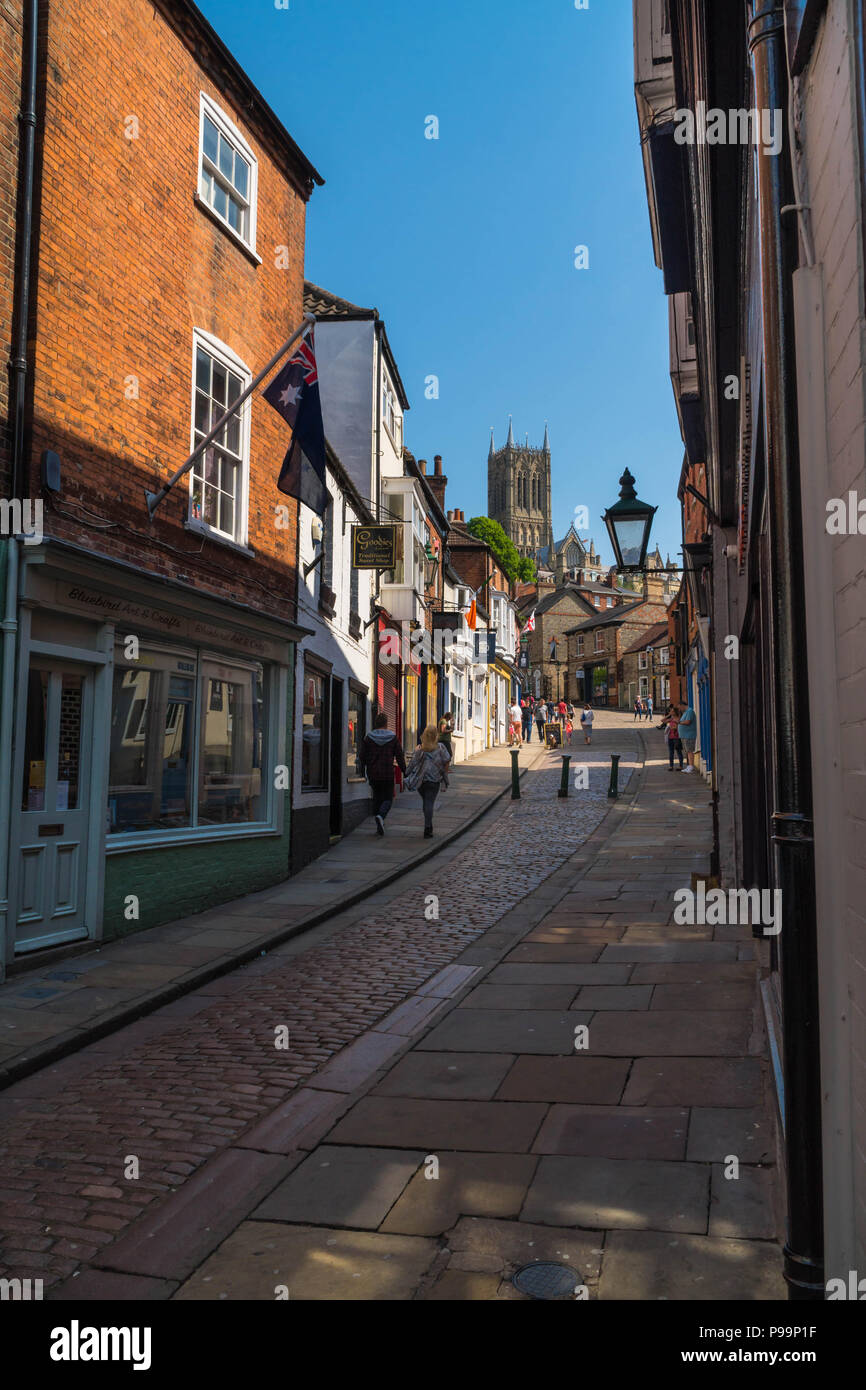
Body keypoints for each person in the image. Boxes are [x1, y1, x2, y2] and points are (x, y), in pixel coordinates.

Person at [358, 711, 407, 835]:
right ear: (386, 724)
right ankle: (381, 816)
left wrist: (362, 771)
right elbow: (400, 756)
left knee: (377, 797)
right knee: (388, 799)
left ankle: (379, 824)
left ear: (375, 723)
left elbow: (362, 756)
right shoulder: (392, 737)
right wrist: (404, 771)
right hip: (387, 773)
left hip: (373, 773)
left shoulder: (368, 737)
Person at [405, 723, 451, 837]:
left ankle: (428, 824)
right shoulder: (441, 747)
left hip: (421, 781)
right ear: (436, 735)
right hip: (434, 780)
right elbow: (447, 760)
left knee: (426, 802)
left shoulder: (420, 748)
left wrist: (406, 773)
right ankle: (428, 828)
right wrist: (445, 774)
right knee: (429, 802)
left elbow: (413, 763)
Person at [677, 701, 698, 772]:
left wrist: (679, 722)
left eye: (679, 708)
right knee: (687, 751)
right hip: (685, 736)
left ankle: (691, 766)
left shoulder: (690, 711)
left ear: (682, 705)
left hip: (689, 735)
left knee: (690, 751)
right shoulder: (686, 712)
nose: (679, 709)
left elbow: (688, 722)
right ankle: (689, 766)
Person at [662, 705, 683, 771]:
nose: (671, 712)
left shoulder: (679, 719)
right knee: (671, 752)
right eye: (671, 711)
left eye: (672, 711)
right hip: (670, 737)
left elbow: (678, 727)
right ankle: (671, 766)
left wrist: (673, 727)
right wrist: (668, 715)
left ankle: (681, 766)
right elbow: (663, 720)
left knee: (679, 752)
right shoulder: (671, 719)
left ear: (675, 712)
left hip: (677, 737)